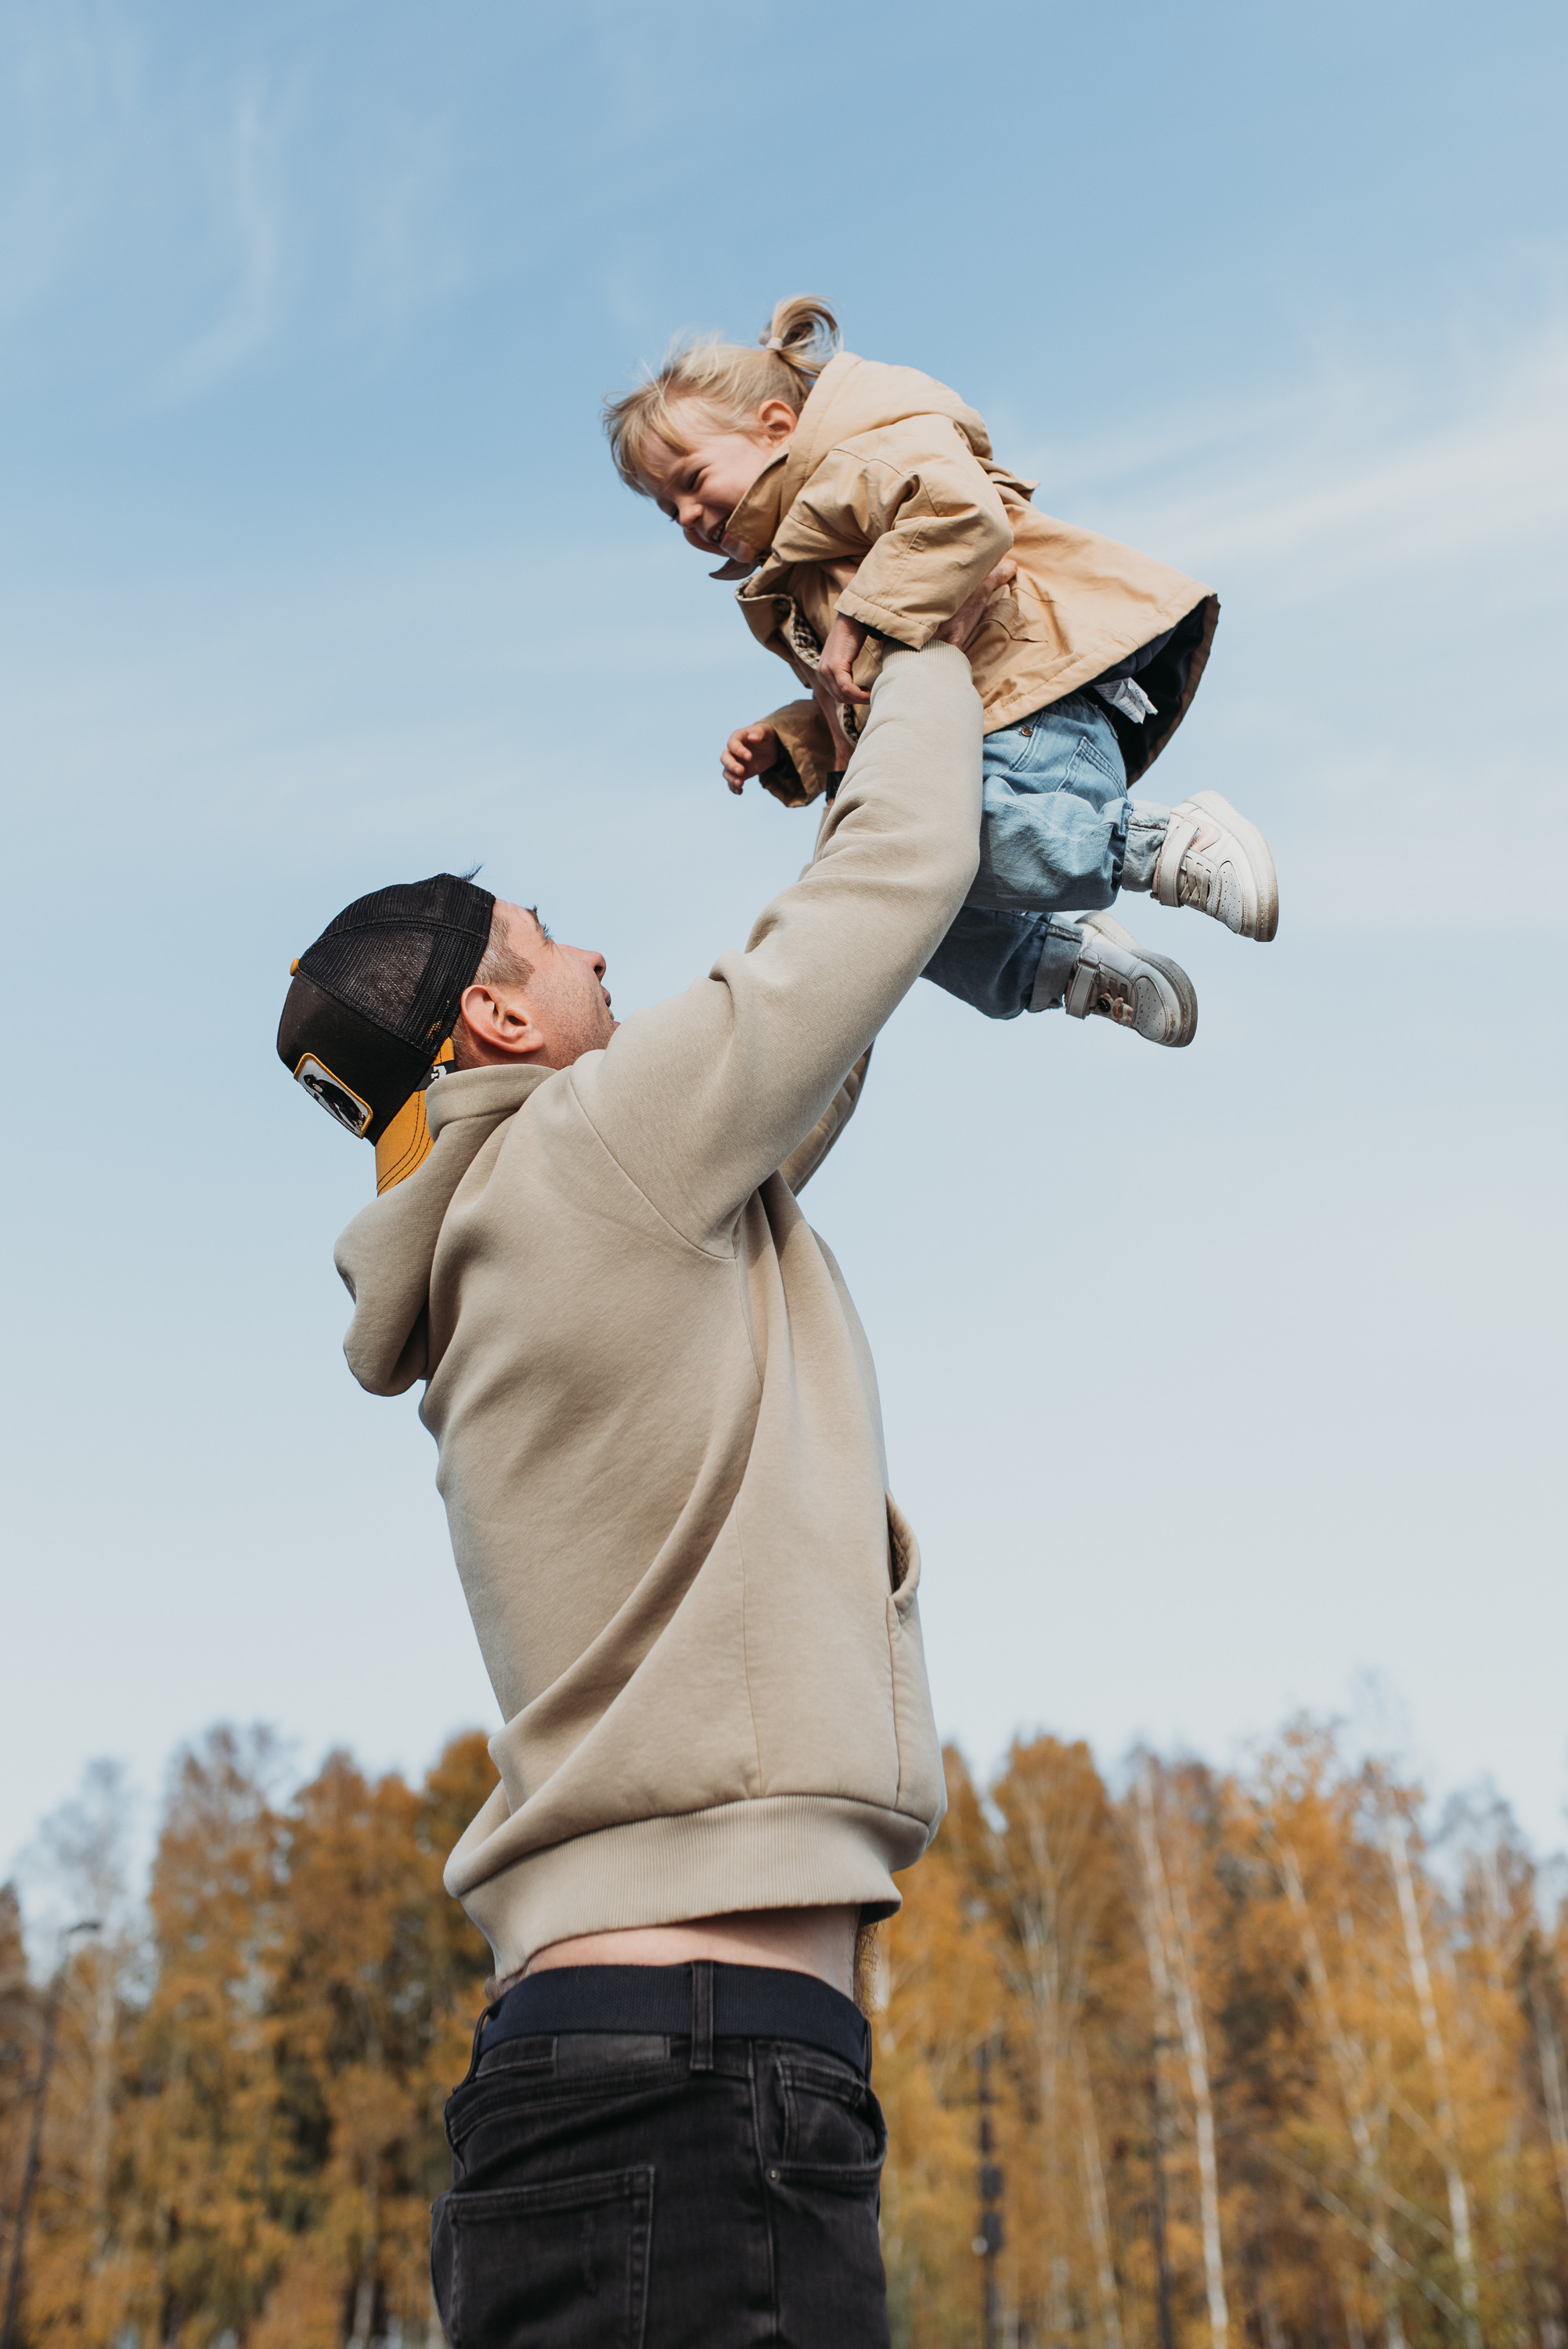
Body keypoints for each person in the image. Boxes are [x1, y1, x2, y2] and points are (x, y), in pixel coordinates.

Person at [276, 581, 1005, 2344]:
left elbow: (819, 1020)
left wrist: (842, 751)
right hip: (690, 2101)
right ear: (499, 1030)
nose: (602, 959)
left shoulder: (523, 1228)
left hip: (636, 2094)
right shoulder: (594, 1163)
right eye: (555, 938)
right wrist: (914, 640)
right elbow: (874, 905)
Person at [604, 294, 1281, 1050]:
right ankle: (1065, 968)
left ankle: (1165, 845)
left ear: (775, 428)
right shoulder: (792, 576)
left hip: (1028, 696)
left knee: (930, 837)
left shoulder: (854, 465)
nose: (691, 516)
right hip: (975, 724)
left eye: (693, 480)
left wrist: (858, 616)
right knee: (880, 899)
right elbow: (866, 687)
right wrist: (791, 738)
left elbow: (963, 516)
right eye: (670, 511)